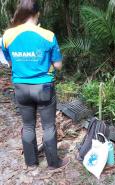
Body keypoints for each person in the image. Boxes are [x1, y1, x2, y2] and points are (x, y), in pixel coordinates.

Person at [2, 0, 70, 169]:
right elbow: (58, 65)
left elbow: (9, 61)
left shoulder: (7, 36)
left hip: (21, 87)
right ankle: (54, 163)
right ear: (37, 13)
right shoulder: (48, 35)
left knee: (28, 125)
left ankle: (31, 162)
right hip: (44, 87)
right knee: (48, 126)